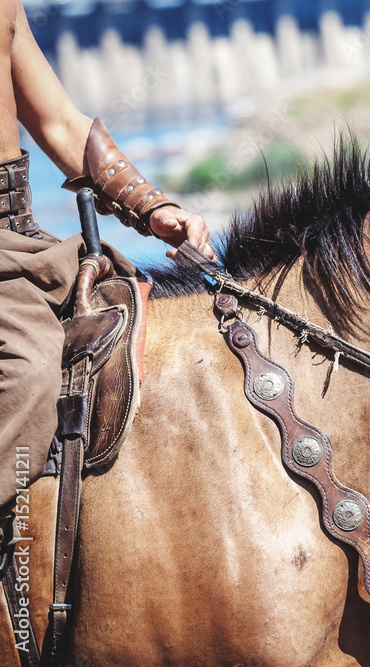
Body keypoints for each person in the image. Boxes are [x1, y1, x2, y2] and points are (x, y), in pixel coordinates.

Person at [0, 0, 216, 508]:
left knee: (138, 306)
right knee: (30, 369)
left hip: (17, 238)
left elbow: (57, 123)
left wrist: (152, 207)